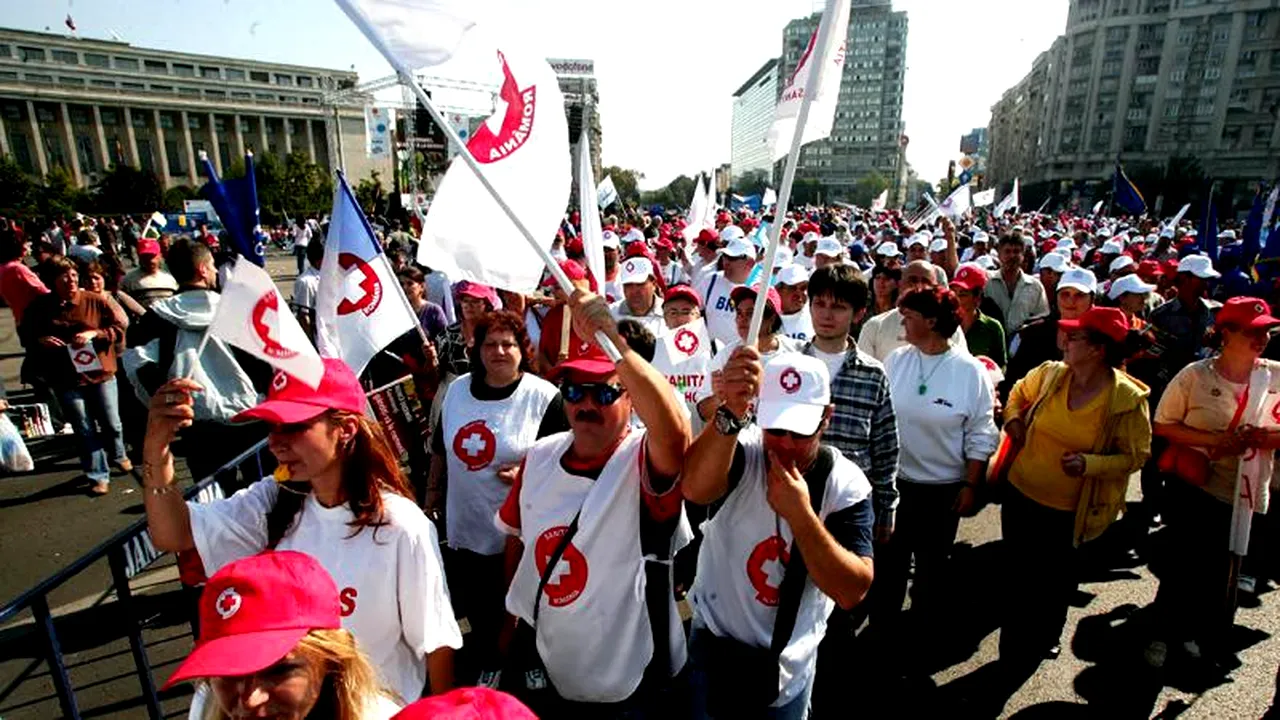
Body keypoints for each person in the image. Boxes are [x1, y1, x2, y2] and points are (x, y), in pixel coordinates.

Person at [142, 358, 463, 702]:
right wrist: (156, 446)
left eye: (293, 426)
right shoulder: (270, 501)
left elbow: (435, 640)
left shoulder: (400, 525)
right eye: (272, 427)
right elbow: (173, 535)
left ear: (346, 429)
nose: (275, 443)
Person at [495, 290, 691, 714]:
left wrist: (616, 344)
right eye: (574, 391)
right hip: (551, 666)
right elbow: (519, 543)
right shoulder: (541, 455)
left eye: (604, 394)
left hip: (627, 681)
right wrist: (509, 625)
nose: (586, 405)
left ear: (630, 398)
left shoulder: (641, 458)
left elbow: (676, 435)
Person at [682, 351, 875, 719]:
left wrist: (801, 516)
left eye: (799, 432)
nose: (785, 444)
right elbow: (694, 489)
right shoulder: (742, 452)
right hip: (713, 648)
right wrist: (729, 413)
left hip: (788, 668)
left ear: (826, 418)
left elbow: (853, 591)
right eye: (776, 428)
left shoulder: (844, 484)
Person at [998, 307, 1151, 662]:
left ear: (1098, 349)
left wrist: (1090, 464)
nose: (1065, 340)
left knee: (1053, 581)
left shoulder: (1126, 400)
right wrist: (1014, 419)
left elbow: (1136, 456)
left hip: (1070, 511)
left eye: (1075, 336)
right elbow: (1017, 393)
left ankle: (1045, 635)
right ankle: (1013, 642)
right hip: (1021, 494)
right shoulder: (1052, 374)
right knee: (1019, 573)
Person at [428, 310, 564, 687]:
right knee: (481, 600)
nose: (499, 351)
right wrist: (431, 495)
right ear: (478, 349)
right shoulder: (457, 391)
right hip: (467, 520)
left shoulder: (543, 397)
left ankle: (530, 658)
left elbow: (567, 458)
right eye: (491, 343)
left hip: (523, 526)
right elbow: (440, 449)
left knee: (527, 599)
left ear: (523, 349)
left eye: (509, 343)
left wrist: (528, 475)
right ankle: (491, 657)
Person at [1148, 297, 1280, 668]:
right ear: (1226, 333)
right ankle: (1162, 634)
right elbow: (1162, 425)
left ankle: (1196, 635)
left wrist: (1265, 439)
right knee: (1183, 564)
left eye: (1266, 330)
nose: (1262, 338)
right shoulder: (1195, 375)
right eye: (1253, 331)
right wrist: (1217, 443)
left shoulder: (1276, 375)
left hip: (1245, 492)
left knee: (1221, 573)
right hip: (1195, 486)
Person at [876, 285, 998, 670]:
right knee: (889, 566)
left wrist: (970, 484)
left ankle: (920, 640)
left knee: (930, 569)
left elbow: (981, 432)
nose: (901, 324)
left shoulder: (969, 372)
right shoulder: (897, 361)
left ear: (931, 322)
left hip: (942, 491)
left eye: (908, 317)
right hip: (896, 486)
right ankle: (882, 636)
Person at [164, 550, 403, 720]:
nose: (250, 699)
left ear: (332, 662)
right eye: (226, 674)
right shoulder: (206, 704)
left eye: (278, 671)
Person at [123, 238, 271, 483]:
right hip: (250, 417)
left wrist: (168, 402)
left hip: (199, 422)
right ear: (202, 269)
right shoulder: (237, 310)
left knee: (214, 499)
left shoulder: (155, 319)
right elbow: (265, 361)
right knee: (261, 495)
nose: (215, 271)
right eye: (212, 265)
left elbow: (137, 366)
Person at [22, 257, 128, 495]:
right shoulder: (39, 308)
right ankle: (98, 475)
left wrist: (95, 334)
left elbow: (118, 329)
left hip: (101, 372)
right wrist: (40, 340)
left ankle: (118, 453)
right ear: (52, 281)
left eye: (73, 275)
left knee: (112, 423)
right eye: (64, 276)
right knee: (83, 427)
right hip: (65, 376)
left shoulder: (95, 301)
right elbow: (27, 335)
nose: (70, 280)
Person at [695, 284, 800, 422]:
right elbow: (704, 413)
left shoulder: (796, 353)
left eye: (751, 313)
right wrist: (719, 397)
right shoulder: (726, 356)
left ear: (772, 318)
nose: (742, 319)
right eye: (739, 312)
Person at [1001, 267, 1098, 401]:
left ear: (1092, 300)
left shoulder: (1101, 340)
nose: (1071, 301)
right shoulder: (1033, 334)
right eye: (1065, 294)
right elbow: (1013, 382)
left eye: (1080, 295)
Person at [857, 260, 968, 362]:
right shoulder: (875, 326)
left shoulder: (947, 327)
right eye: (912, 280)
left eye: (926, 282)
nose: (919, 286)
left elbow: (961, 365)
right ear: (900, 284)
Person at [695, 238, 757, 347]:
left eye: (732, 258)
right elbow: (694, 311)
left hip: (740, 356)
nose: (726, 262)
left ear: (750, 263)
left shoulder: (758, 290)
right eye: (725, 256)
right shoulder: (711, 280)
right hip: (710, 354)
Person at [986, 234, 1050, 336]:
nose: (1012, 256)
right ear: (999, 254)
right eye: (1007, 251)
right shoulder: (986, 281)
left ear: (1023, 256)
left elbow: (1042, 317)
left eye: (1016, 251)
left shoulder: (1035, 286)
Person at [951, 263, 1007, 368]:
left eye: (963, 294)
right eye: (954, 292)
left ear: (977, 297)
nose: (956, 299)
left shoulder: (993, 328)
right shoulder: (943, 324)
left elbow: (1001, 366)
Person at [0, 226, 49, 327]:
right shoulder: (18, 269)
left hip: (19, 317)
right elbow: (44, 292)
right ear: (20, 246)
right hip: (35, 318)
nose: (29, 246)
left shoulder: (3, 267)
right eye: (27, 243)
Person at [610, 256, 665, 336]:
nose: (634, 291)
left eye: (640, 284)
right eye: (628, 285)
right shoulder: (610, 314)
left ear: (654, 284)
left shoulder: (670, 313)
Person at [120, 238, 179, 309]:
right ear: (139, 257)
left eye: (152, 256)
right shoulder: (128, 281)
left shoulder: (170, 279)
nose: (150, 261)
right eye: (145, 257)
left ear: (160, 255)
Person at [398, 266, 449, 342]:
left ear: (421, 286)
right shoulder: (397, 311)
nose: (405, 287)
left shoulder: (434, 310)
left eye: (410, 284)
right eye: (401, 284)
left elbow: (446, 340)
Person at [292, 239, 325, 340]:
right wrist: (311, 342)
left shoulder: (329, 275)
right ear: (319, 259)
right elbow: (303, 316)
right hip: (320, 336)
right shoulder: (306, 282)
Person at [776, 265, 814, 343]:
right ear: (778, 290)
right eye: (792, 288)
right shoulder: (766, 319)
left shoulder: (817, 316)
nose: (799, 294)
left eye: (803, 288)